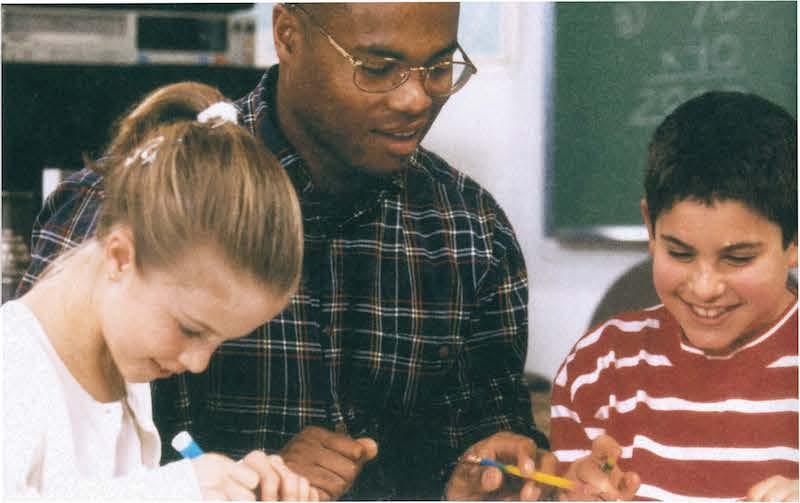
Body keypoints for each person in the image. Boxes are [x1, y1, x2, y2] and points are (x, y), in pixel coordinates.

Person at [17, 3, 552, 500]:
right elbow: (74, 449)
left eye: (438, 68)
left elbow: (481, 438)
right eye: (377, 67)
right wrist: (246, 478)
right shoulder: (132, 206)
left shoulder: (472, 232)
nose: (415, 98)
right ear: (288, 36)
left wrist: (473, 478)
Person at [4, 81, 318, 500]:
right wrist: (177, 489)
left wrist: (233, 488)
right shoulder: (14, 369)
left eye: (219, 341)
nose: (198, 362)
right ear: (120, 257)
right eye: (191, 329)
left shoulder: (121, 369)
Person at [549, 91, 798, 501]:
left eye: (738, 258)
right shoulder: (599, 366)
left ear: (793, 240)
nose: (704, 287)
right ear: (650, 226)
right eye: (679, 253)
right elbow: (566, 482)